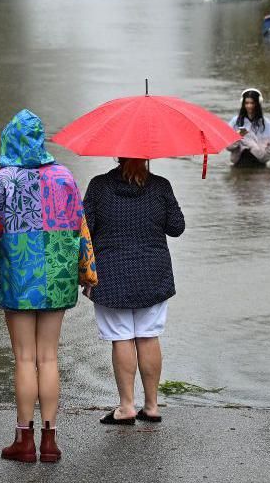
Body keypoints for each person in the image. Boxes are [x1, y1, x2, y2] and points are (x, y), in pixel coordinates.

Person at [0, 110, 98, 463]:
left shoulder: (1, 181)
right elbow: (80, 230)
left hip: (18, 278)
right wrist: (88, 273)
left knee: (24, 357)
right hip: (57, 276)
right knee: (49, 356)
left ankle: (24, 440)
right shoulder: (65, 177)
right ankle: (50, 441)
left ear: (10, 139)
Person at [82, 158, 184, 425]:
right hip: (153, 274)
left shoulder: (99, 187)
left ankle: (126, 406)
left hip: (111, 274)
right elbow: (177, 227)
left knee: (121, 338)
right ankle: (151, 406)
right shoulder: (160, 186)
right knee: (149, 336)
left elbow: (84, 230)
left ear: (117, 155)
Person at [227, 88, 270, 167]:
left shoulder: (267, 123)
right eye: (247, 103)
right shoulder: (235, 121)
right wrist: (238, 135)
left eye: (252, 103)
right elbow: (228, 145)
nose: (249, 106)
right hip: (239, 163)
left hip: (259, 163)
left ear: (258, 103)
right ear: (243, 104)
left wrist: (263, 158)